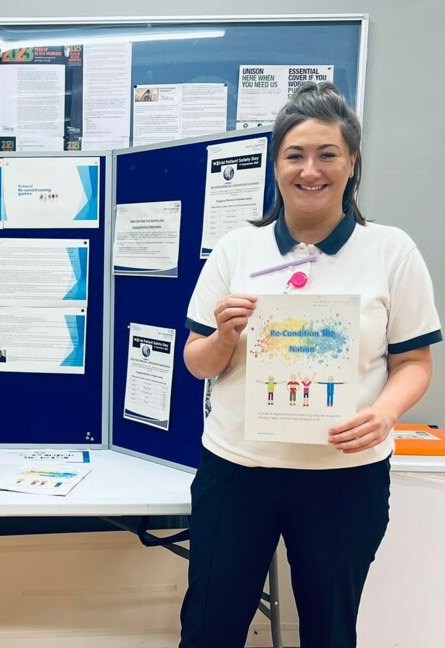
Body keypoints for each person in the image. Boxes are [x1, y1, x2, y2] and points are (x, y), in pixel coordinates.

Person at [180, 82, 441, 648]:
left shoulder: (391, 251)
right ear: (276, 166)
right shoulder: (236, 250)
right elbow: (197, 363)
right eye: (294, 155)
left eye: (327, 154)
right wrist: (224, 335)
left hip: (344, 479)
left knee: (328, 630)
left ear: (352, 164)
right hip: (238, 470)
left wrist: (385, 413)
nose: (310, 170)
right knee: (209, 629)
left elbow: (415, 362)